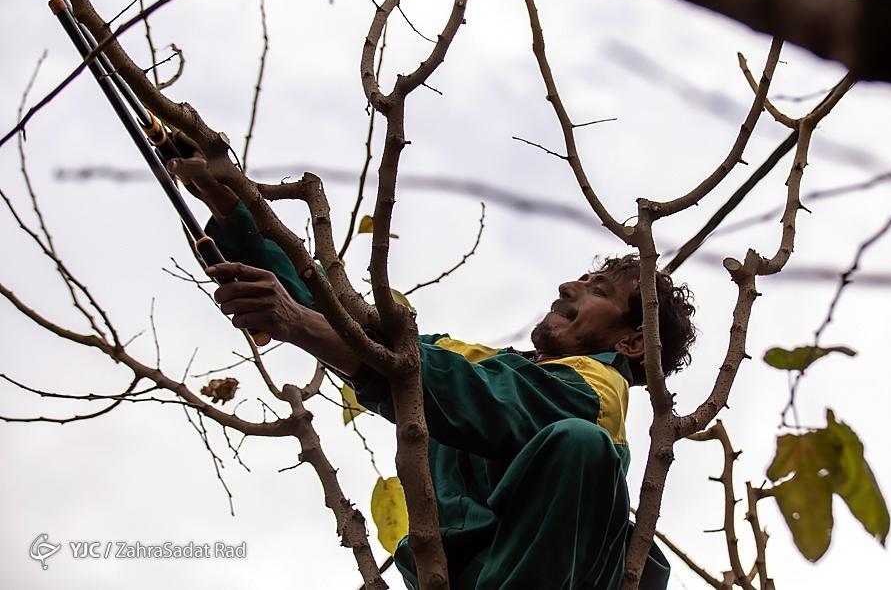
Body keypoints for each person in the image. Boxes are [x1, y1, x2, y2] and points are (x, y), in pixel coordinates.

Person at [170, 156, 696, 589]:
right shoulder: (483, 365)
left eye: (599, 291)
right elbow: (355, 332)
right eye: (583, 279)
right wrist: (233, 209)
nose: (568, 287)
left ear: (631, 341)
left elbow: (483, 398)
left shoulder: (599, 392)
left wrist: (300, 324)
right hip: (458, 575)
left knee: (580, 445)